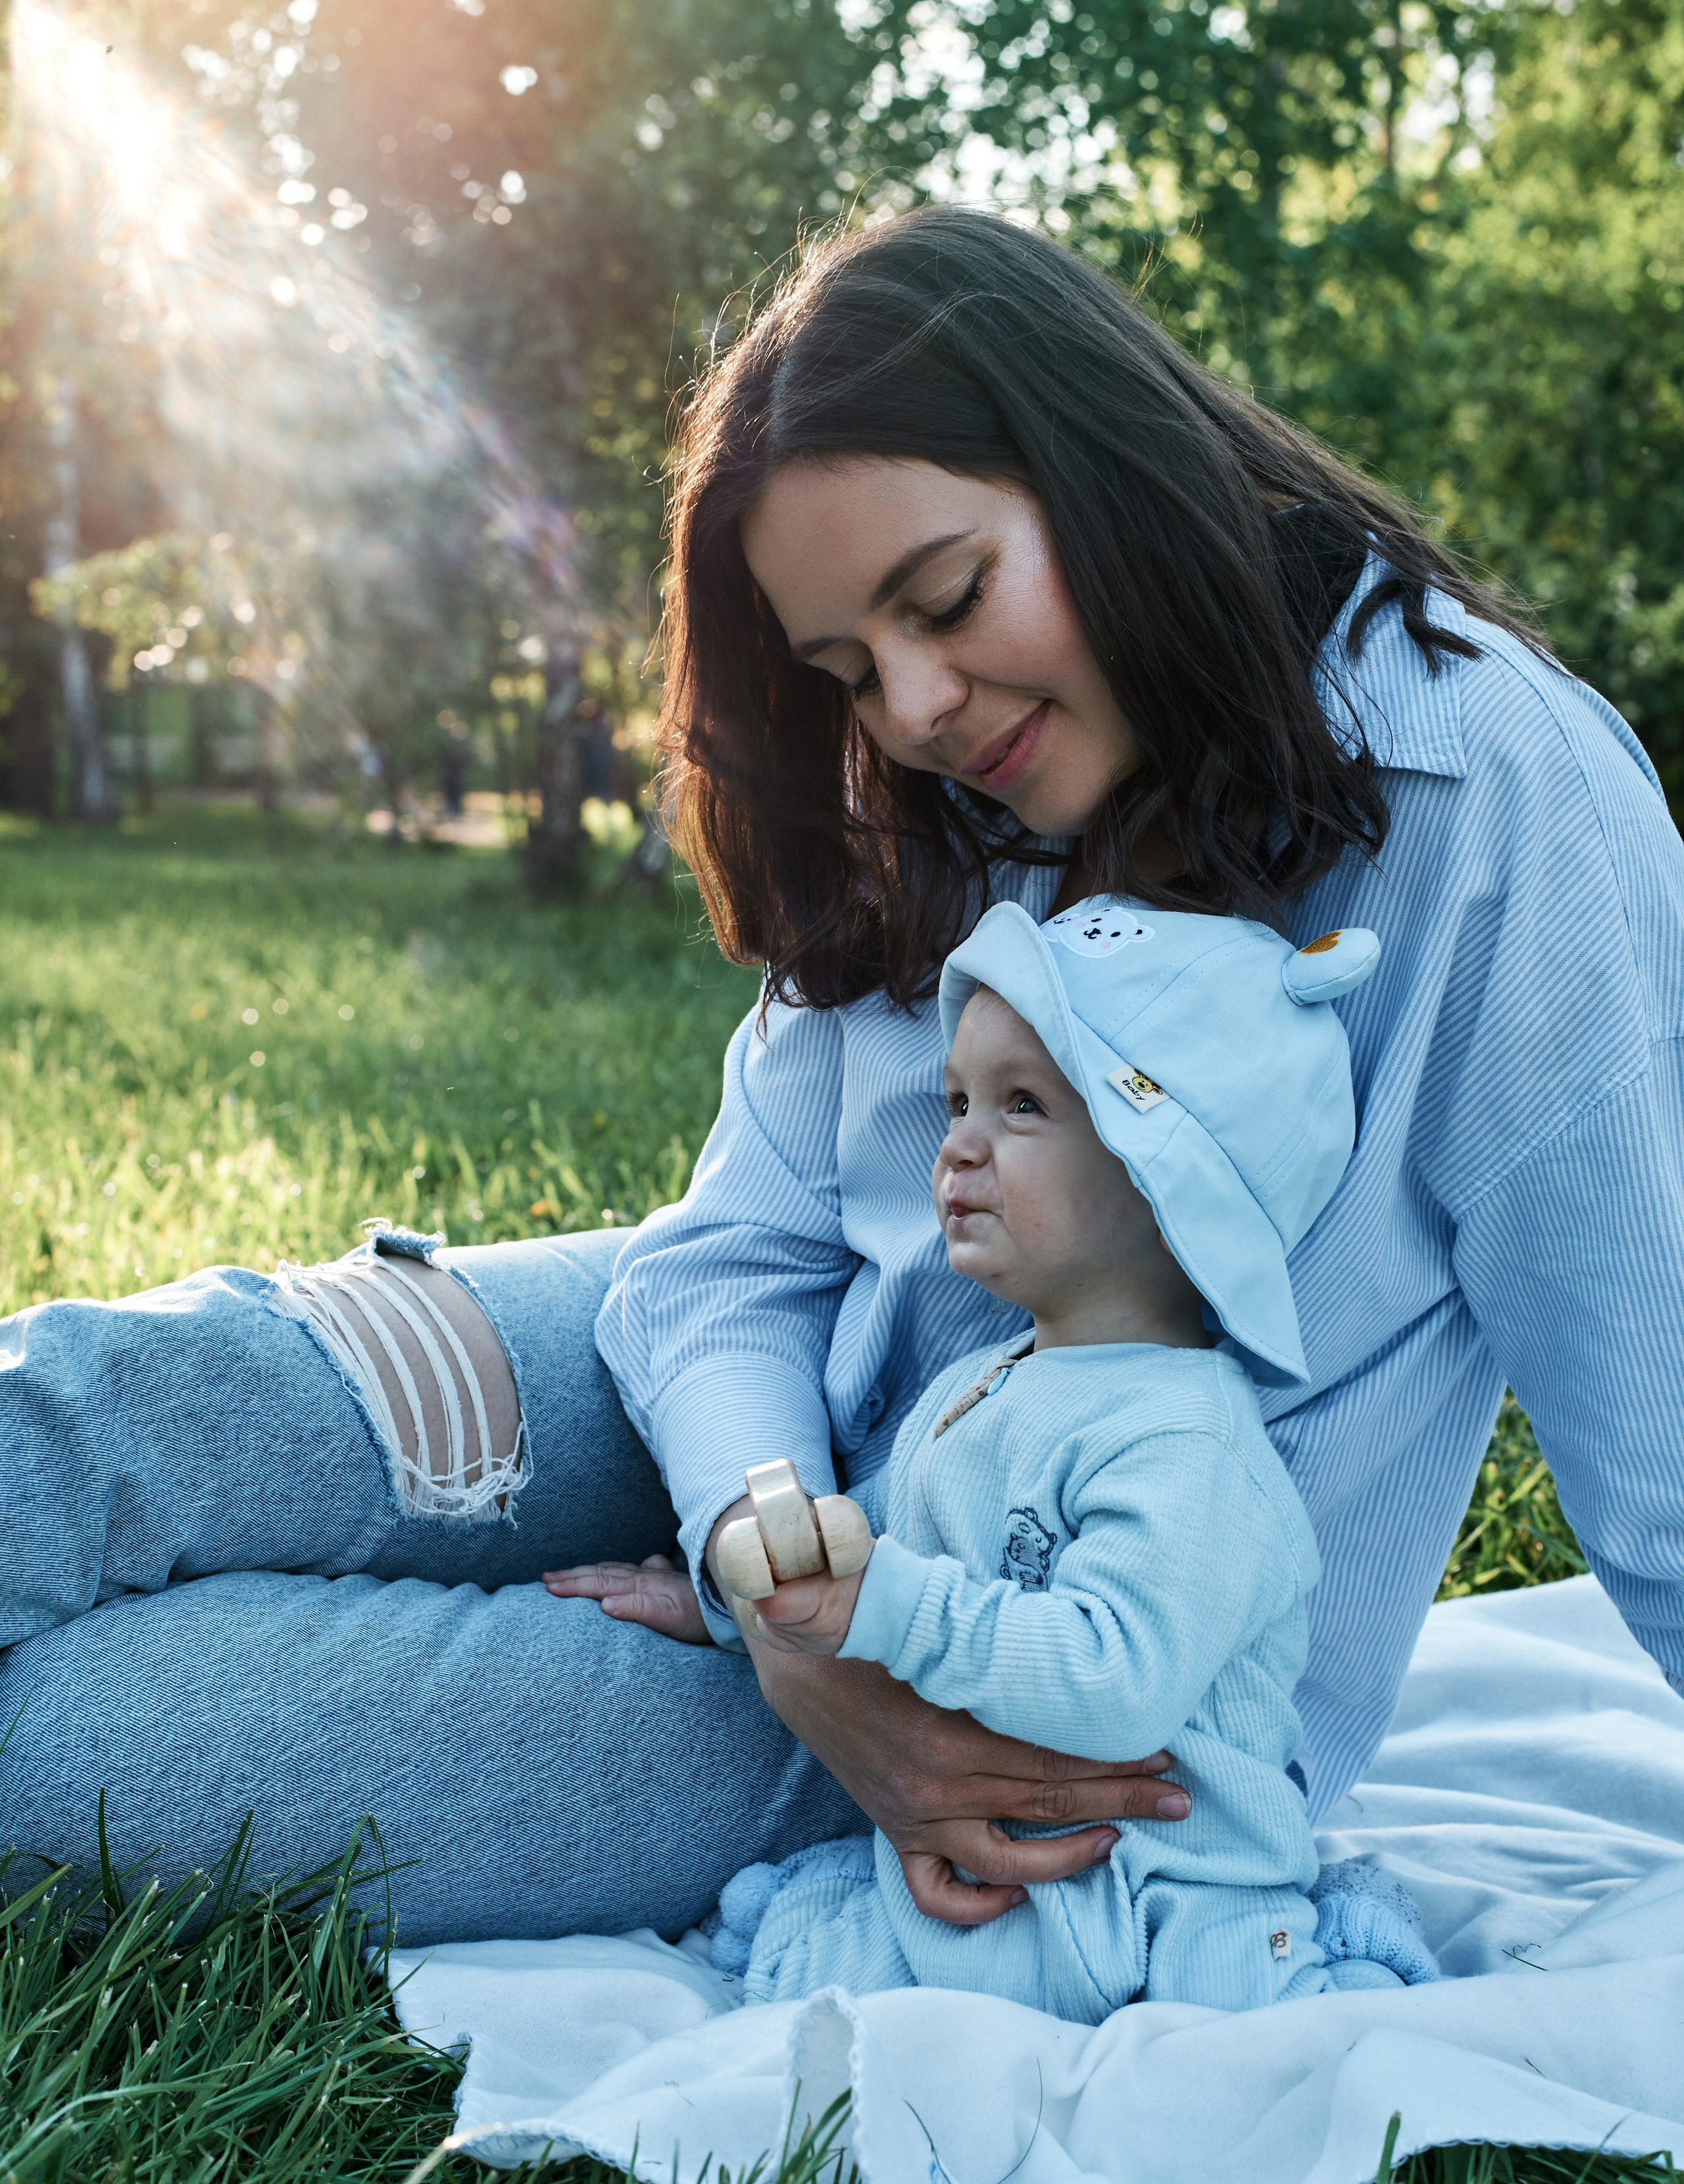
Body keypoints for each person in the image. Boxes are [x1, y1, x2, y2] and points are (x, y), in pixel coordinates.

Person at [3, 208, 1681, 1951]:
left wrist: (845, 1636)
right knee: (94, 1407)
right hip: (751, 1437)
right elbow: (732, 1257)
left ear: (1110, 465)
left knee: (74, 1741)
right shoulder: (944, 788)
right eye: (847, 672)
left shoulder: (1492, 800)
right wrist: (772, 1565)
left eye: (946, 600)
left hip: (1016, 1688)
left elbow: (1666, 1450)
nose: (920, 707)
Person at [575, 895, 1441, 2015]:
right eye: (958, 1101)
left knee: (863, 1985)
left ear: (1172, 1177)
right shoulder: (1002, 1379)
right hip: (1037, 1870)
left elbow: (1115, 1680)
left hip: (1159, 1904)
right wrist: (770, 1595)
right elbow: (912, 1534)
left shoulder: (1189, 1440)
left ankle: (1330, 1959)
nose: (958, 1144)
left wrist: (882, 1603)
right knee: (842, 1944)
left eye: (1021, 1105)